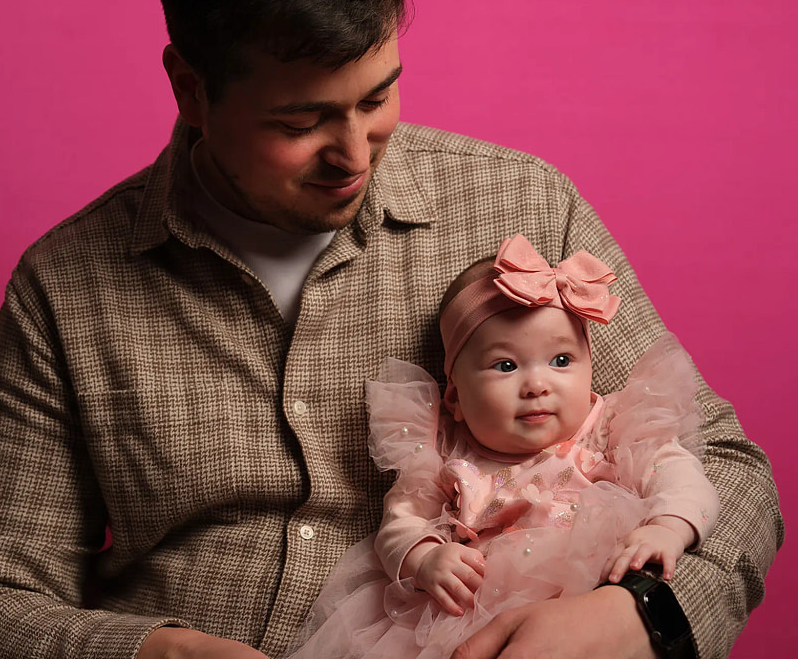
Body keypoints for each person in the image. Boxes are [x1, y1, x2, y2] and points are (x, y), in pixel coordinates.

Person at [0, 0, 782, 658]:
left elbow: (729, 470)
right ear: (189, 87)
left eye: (377, 100)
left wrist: (643, 617)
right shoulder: (65, 285)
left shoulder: (523, 203)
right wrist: (156, 654)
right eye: (300, 121)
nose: (351, 155)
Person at [284, 235, 719, 659]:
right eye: (506, 365)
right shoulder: (443, 456)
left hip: (584, 618)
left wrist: (668, 528)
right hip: (463, 622)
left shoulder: (612, 430)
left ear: (589, 367)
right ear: (454, 396)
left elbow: (682, 479)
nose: (536, 385)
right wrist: (426, 558)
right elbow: (398, 525)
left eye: (561, 360)